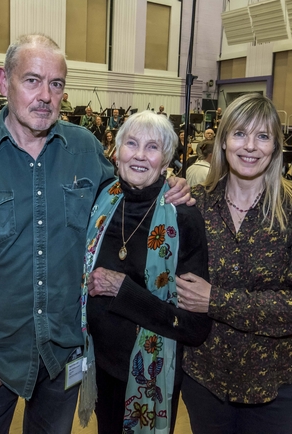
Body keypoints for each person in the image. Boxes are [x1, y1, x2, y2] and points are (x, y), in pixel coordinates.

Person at [0, 33, 192, 434]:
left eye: (57, 84)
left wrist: (173, 185)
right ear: (3, 82)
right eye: (32, 80)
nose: (45, 95)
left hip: (64, 354)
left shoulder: (84, 150)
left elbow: (127, 201)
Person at [176, 94, 292, 434]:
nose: (250, 146)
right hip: (205, 377)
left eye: (263, 136)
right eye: (240, 134)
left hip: (274, 379)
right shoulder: (194, 203)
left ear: (275, 146)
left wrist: (216, 300)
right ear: (224, 141)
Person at [81, 110, 211, 433]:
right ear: (116, 151)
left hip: (150, 374)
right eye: (132, 144)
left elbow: (194, 326)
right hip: (99, 368)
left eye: (152, 148)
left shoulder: (183, 218)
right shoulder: (102, 200)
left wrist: (122, 290)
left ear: (167, 160)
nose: (139, 155)